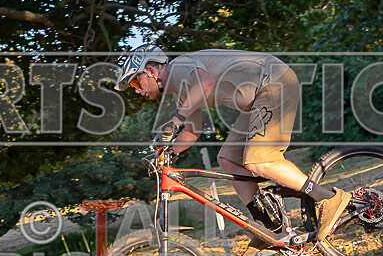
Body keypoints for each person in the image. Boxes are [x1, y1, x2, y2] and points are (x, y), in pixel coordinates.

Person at [115, 43, 351, 244]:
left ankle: (328, 198)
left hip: (273, 83)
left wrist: (175, 120)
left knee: (260, 161)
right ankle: (268, 226)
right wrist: (168, 152)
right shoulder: (180, 92)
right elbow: (192, 131)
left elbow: (205, 84)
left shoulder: (179, 66)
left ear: (151, 69)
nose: (137, 91)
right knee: (227, 159)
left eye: (135, 83)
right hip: (259, 99)